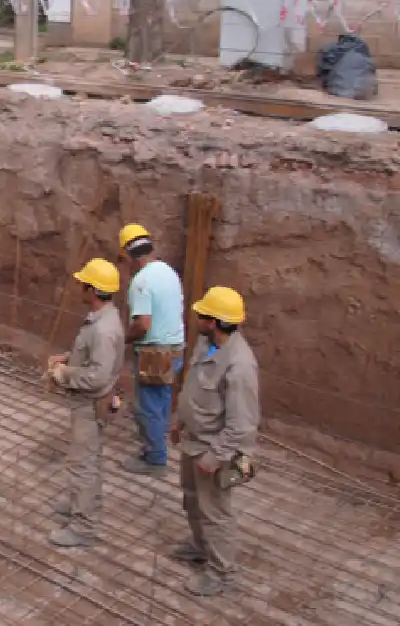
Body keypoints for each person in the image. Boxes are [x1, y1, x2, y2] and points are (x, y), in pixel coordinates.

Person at [170, 286, 260, 597]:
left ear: (216, 322)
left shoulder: (239, 365)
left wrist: (216, 457)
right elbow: (194, 387)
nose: (197, 318)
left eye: (203, 315)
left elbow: (242, 425)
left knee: (215, 512)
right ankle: (200, 546)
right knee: (192, 499)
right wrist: (179, 420)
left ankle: (222, 573)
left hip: (212, 450)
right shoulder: (207, 344)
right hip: (193, 441)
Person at [46, 258, 126, 548]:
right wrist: (69, 358)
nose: (79, 287)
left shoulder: (103, 330)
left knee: (83, 463)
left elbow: (97, 376)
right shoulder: (103, 319)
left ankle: (84, 526)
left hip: (90, 404)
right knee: (87, 459)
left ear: (93, 290)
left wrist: (64, 373)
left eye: (84, 284)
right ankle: (81, 503)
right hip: (91, 402)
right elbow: (93, 359)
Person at [118, 224, 186, 477]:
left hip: (155, 353)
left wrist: (124, 339)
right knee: (161, 401)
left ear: (129, 254)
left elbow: (143, 324)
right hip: (175, 349)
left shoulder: (141, 282)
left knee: (148, 407)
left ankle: (155, 460)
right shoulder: (168, 271)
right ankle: (156, 446)